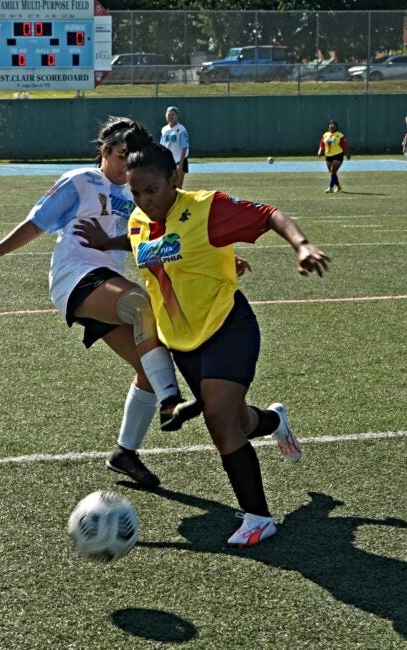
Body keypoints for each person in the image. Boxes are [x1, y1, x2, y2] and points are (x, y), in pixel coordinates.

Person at [75, 142, 329, 547]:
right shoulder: (141, 219)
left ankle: (258, 517)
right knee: (238, 421)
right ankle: (273, 421)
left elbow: (269, 215)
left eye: (152, 190)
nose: (144, 200)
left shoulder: (207, 208)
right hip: (184, 343)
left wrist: (301, 245)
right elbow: (143, 240)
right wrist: (108, 242)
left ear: (174, 178)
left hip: (227, 326)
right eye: (136, 192)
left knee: (218, 421)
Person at [0, 117, 201, 489]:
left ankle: (125, 453)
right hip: (75, 277)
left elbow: (162, 239)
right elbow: (36, 222)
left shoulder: (138, 194)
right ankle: (172, 402)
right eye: (122, 156)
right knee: (141, 304)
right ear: (104, 152)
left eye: (132, 157)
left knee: (149, 369)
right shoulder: (81, 181)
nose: (126, 165)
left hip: (109, 285)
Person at [159, 106, 190, 188]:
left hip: (179, 161)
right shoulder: (164, 129)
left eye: (173, 114)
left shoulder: (181, 129)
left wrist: (181, 163)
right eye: (169, 114)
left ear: (177, 116)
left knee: (178, 187)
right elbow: (162, 146)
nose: (171, 117)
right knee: (168, 186)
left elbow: (185, 147)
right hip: (167, 162)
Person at [317, 119, 351, 193]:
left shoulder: (340, 135)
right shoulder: (325, 135)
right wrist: (320, 151)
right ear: (328, 126)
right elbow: (322, 144)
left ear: (336, 127)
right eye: (330, 124)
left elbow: (344, 146)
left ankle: (330, 188)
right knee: (332, 173)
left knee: (333, 171)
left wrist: (347, 154)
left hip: (338, 155)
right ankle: (338, 187)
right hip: (328, 156)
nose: (332, 125)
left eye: (334, 124)